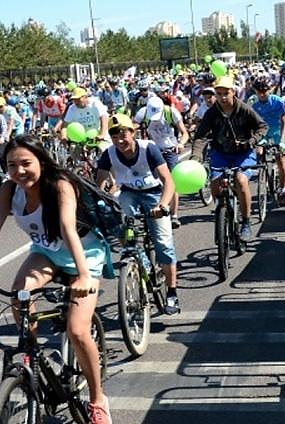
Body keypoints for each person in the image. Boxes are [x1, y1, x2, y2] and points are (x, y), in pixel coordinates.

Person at [0, 134, 112, 424]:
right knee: (19, 295)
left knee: (78, 331)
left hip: (83, 255)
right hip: (46, 253)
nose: (19, 171)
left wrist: (82, 276)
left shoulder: (60, 184)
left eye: (26, 163)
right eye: (12, 165)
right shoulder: (10, 190)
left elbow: (67, 229)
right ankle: (32, 356)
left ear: (41, 160)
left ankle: (97, 398)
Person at [95, 114, 180, 315]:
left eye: (123, 134)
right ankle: (138, 257)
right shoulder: (108, 154)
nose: (120, 140)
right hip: (129, 194)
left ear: (133, 133)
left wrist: (163, 205)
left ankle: (172, 293)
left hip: (153, 194)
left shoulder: (148, 148)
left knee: (164, 244)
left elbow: (168, 181)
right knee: (123, 228)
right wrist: (103, 204)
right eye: (114, 136)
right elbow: (98, 187)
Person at [191, 76, 268, 242]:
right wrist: (195, 157)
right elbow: (200, 136)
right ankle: (223, 209)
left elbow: (262, 126)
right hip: (220, 153)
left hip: (243, 153)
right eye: (219, 93)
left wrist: (252, 141)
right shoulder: (212, 113)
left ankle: (246, 222)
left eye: (226, 93)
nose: (222, 97)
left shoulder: (244, 109)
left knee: (241, 180)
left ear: (233, 92)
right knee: (215, 184)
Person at [133, 96, 189, 229]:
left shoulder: (171, 112)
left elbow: (184, 133)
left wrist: (181, 143)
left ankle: (174, 216)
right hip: (151, 151)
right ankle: (153, 210)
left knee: (172, 181)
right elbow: (132, 129)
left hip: (170, 150)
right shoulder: (143, 113)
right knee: (151, 181)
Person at [250, 76, 285, 204]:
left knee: (280, 158)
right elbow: (250, 124)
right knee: (258, 152)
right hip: (262, 133)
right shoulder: (253, 103)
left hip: (278, 132)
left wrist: (283, 141)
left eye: (265, 90)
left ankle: (283, 190)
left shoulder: (278, 101)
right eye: (259, 91)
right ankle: (264, 176)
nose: (262, 94)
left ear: (270, 89)